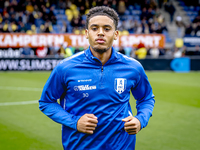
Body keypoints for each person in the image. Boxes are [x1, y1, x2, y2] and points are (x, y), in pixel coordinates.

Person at [39, 6, 155, 150]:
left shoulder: (133, 67)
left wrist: (140, 120)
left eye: (107, 29)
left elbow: (146, 98)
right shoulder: (66, 68)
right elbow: (46, 102)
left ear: (116, 34)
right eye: (94, 28)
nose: (100, 33)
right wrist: (74, 122)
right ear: (87, 33)